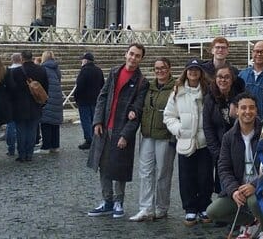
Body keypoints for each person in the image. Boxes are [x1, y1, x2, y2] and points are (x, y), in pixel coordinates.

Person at [205, 92, 263, 239]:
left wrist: (255, 185)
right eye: (243, 108)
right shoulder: (229, 137)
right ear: (236, 110)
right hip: (239, 188)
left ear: (256, 110)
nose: (247, 111)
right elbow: (223, 168)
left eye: (251, 108)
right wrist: (233, 190)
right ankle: (251, 222)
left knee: (254, 202)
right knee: (213, 212)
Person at [87, 43, 149, 219]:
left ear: (141, 59)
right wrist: (97, 121)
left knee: (120, 167)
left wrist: (126, 135)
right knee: (103, 165)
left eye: (137, 56)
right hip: (105, 126)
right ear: (125, 54)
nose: (133, 58)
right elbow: (103, 96)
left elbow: (137, 111)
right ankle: (107, 200)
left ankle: (118, 202)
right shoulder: (114, 72)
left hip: (121, 129)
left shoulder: (142, 82)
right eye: (131, 54)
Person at [163, 58, 213, 226]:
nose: (193, 72)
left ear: (200, 73)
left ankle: (204, 206)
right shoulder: (177, 91)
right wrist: (179, 129)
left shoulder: (208, 91)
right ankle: (190, 208)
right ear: (186, 72)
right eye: (190, 69)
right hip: (185, 140)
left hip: (204, 141)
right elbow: (169, 116)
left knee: (205, 176)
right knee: (186, 177)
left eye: (196, 70)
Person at [129, 57, 176, 222]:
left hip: (165, 136)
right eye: (157, 68)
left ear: (169, 69)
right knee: (145, 172)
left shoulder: (175, 88)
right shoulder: (149, 87)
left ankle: (161, 207)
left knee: (163, 172)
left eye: (163, 67)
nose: (160, 71)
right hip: (148, 135)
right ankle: (146, 208)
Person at [203, 64, 240, 199]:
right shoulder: (209, 99)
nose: (223, 80)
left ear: (232, 79)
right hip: (219, 147)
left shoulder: (240, 97)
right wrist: (217, 152)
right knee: (223, 181)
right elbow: (207, 127)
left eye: (226, 77)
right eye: (220, 77)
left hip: (238, 146)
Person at [9, 51, 48, 162]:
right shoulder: (41, 70)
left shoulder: (15, 71)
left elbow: (11, 89)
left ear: (22, 58)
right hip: (36, 103)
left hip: (19, 105)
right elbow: (45, 87)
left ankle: (22, 154)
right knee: (32, 130)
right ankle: (29, 154)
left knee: (20, 131)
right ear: (32, 57)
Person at [75, 52, 105, 150]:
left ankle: (89, 140)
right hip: (95, 99)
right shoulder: (99, 70)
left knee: (85, 121)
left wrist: (76, 98)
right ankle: (95, 138)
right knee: (94, 120)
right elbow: (102, 85)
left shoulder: (84, 71)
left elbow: (79, 86)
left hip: (84, 100)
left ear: (85, 60)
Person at [37, 50, 63, 154]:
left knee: (46, 122)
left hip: (47, 97)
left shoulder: (43, 68)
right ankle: (55, 145)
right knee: (55, 123)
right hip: (57, 97)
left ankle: (46, 146)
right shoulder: (57, 68)